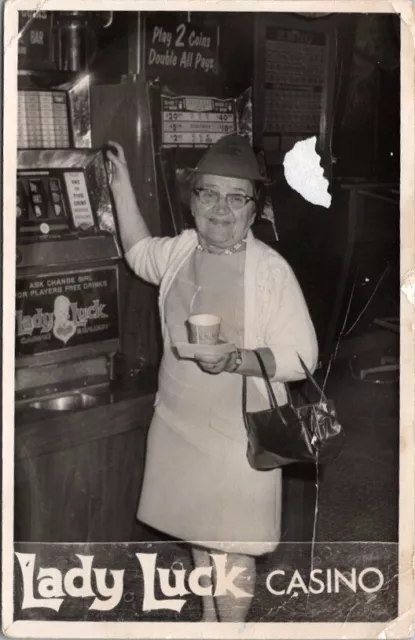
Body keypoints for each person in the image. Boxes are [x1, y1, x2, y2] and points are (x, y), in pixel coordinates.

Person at [107, 134, 318, 623]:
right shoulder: (181, 251)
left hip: (238, 433)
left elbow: (303, 356)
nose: (221, 209)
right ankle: (208, 622)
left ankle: (233, 631)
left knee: (233, 545)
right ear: (193, 201)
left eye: (236, 197)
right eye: (209, 194)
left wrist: (238, 359)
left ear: (253, 208)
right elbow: (138, 252)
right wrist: (120, 187)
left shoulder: (271, 272)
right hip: (180, 422)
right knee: (200, 535)